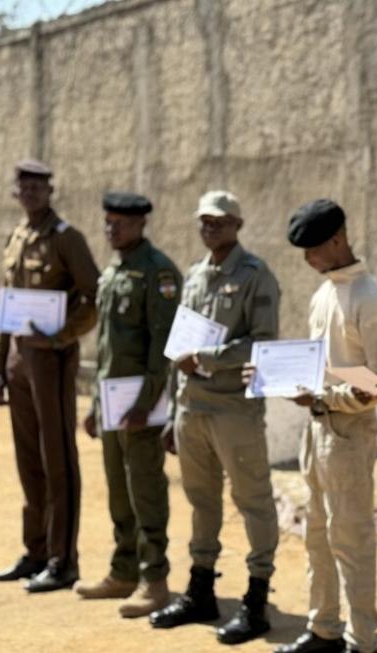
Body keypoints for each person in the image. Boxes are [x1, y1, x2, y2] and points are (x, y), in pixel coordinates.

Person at [266, 199, 377, 653]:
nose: (309, 260)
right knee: (317, 536)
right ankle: (323, 628)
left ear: (338, 239)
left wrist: (323, 397)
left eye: (314, 250)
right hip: (317, 430)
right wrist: (281, 376)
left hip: (349, 433)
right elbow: (319, 367)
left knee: (352, 540)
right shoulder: (324, 294)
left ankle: (362, 641)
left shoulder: (367, 297)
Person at [149, 190, 281, 646]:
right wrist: (171, 411)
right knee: (201, 501)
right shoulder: (194, 275)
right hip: (193, 408)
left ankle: (256, 598)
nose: (211, 229)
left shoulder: (256, 276)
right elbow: (178, 347)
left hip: (234, 410)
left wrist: (207, 356)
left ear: (238, 225)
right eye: (205, 221)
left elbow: (263, 343)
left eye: (220, 222)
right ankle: (201, 590)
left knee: (253, 501)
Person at [0, 159, 101, 593]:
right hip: (19, 363)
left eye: (38, 186)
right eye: (24, 186)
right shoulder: (16, 237)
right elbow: (8, 305)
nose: (31, 193)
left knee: (57, 459)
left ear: (51, 191)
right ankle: (34, 551)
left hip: (52, 361)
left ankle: (62, 560)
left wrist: (61, 335)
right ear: (15, 191)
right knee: (28, 460)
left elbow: (93, 297)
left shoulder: (66, 238)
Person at [75, 192, 180, 618]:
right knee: (119, 490)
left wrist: (146, 402)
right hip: (111, 401)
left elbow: (163, 347)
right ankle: (123, 571)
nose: (110, 229)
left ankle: (154, 579)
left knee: (146, 489)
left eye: (119, 222)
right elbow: (105, 350)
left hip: (141, 405)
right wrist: (94, 405)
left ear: (140, 224)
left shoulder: (157, 272)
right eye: (107, 222)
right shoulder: (114, 272)